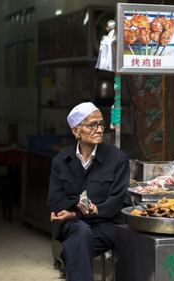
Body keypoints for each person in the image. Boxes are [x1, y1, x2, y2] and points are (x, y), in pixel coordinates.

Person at [47, 102, 130, 281]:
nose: (99, 130)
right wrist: (76, 209)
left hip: (106, 227)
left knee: (73, 248)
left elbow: (116, 202)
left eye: (101, 124)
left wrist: (78, 213)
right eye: (93, 125)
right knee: (80, 234)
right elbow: (55, 200)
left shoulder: (118, 159)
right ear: (76, 131)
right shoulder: (61, 161)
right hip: (73, 227)